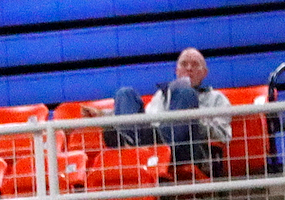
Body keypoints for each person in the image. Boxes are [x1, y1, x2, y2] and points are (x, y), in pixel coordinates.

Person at [92, 47, 234, 174]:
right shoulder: (161, 95)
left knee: (186, 93)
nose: (189, 68)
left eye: (195, 64)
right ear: (177, 71)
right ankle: (131, 144)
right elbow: (146, 118)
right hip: (152, 142)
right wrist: (103, 115)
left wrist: (194, 119)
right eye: (184, 64)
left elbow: (223, 135)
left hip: (186, 148)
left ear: (204, 73)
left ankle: (156, 148)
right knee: (125, 93)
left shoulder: (217, 98)